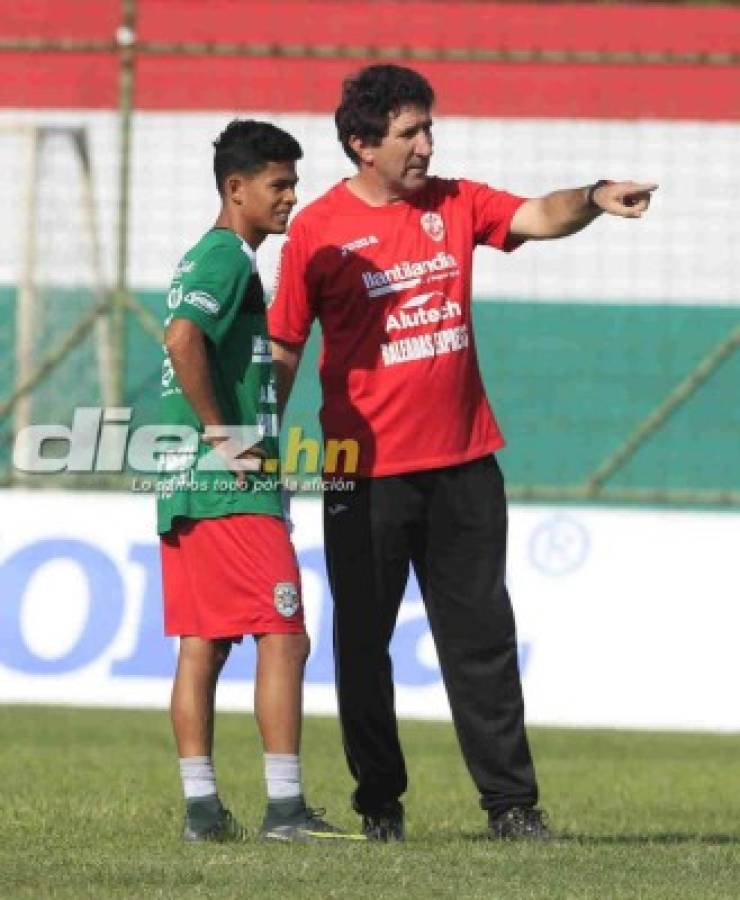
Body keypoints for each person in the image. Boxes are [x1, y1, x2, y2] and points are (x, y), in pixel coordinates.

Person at [268, 65, 656, 841]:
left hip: (466, 463)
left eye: (428, 128)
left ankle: (511, 807)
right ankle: (379, 803)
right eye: (409, 133)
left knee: (481, 640)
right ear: (361, 144)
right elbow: (284, 346)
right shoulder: (316, 228)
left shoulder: (454, 200)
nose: (426, 145)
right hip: (360, 470)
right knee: (364, 644)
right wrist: (259, 445)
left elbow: (539, 215)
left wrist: (593, 196)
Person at [157, 119, 360, 843]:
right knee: (284, 636)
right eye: (279, 184)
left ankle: (203, 811)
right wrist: (224, 433)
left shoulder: (208, 258)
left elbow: (209, 348)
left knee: (203, 644)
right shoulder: (227, 257)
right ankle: (284, 809)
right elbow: (181, 340)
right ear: (235, 188)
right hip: (225, 487)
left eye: (294, 183)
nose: (290, 197)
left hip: (184, 485)